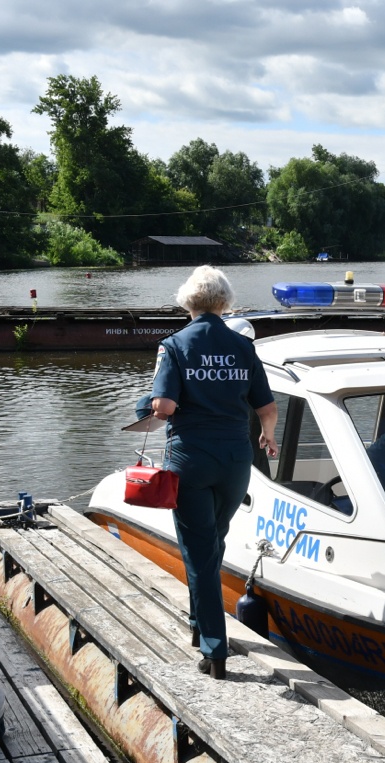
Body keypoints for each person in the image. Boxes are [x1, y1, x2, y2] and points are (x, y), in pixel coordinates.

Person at [147, 265, 278, 680]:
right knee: (210, 543)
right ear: (225, 302)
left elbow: (164, 408)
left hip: (192, 459)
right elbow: (267, 409)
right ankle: (196, 622)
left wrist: (151, 404)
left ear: (187, 300)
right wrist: (269, 438)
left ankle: (214, 649)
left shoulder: (174, 345)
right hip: (237, 459)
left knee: (201, 552)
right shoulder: (243, 347)